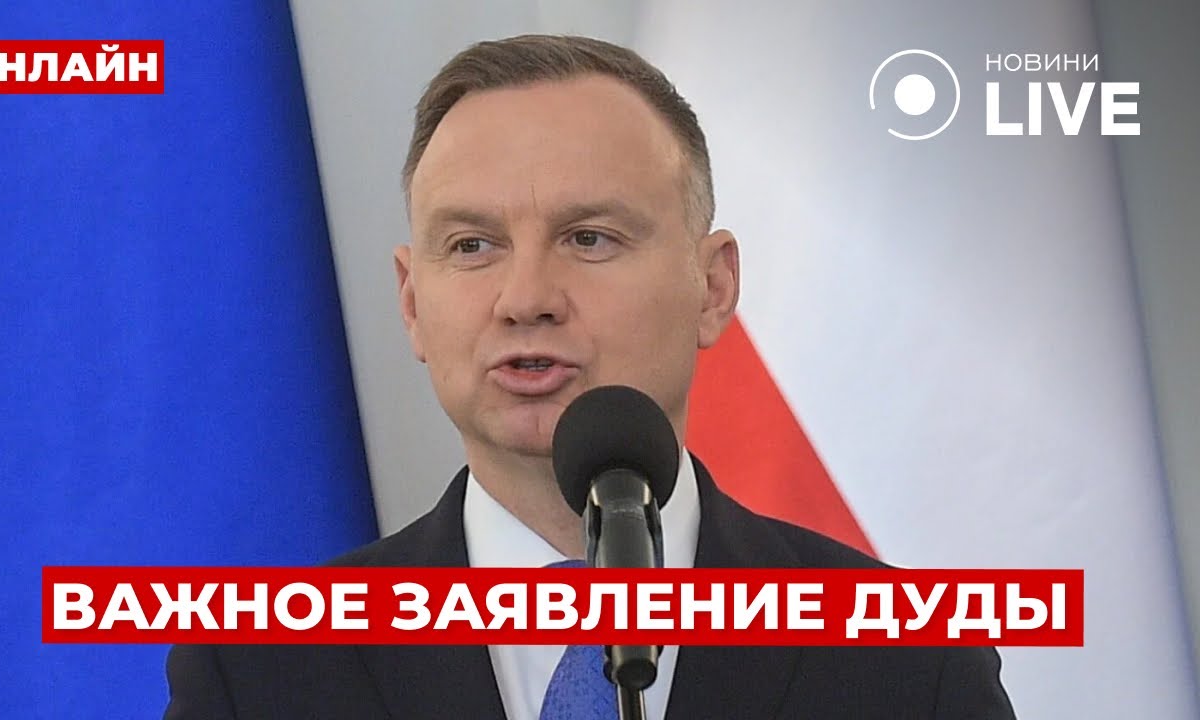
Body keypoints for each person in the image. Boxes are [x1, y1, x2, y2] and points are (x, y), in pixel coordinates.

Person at [164, 34, 1015, 719]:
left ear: (713, 286)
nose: (526, 299)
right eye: (472, 245)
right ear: (412, 302)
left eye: (589, 238)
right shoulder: (258, 672)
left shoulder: (910, 663)